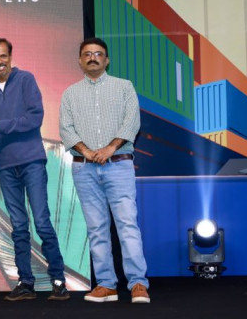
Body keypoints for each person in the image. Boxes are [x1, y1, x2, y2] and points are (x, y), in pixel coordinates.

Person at [59, 37, 150, 304]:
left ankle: (138, 283)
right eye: (87, 54)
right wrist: (87, 152)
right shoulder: (70, 93)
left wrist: (110, 148)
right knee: (96, 228)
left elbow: (132, 121)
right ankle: (106, 285)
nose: (93, 58)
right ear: (80, 61)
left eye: (98, 54)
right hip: (84, 168)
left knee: (127, 225)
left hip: (119, 164)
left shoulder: (124, 87)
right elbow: (66, 128)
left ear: (107, 60)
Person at [0, 37, 70, 301]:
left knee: (42, 222)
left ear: (10, 56)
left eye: (3, 56)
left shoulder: (26, 79)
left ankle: (58, 281)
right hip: (6, 165)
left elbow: (34, 118)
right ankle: (26, 283)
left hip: (31, 161)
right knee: (18, 226)